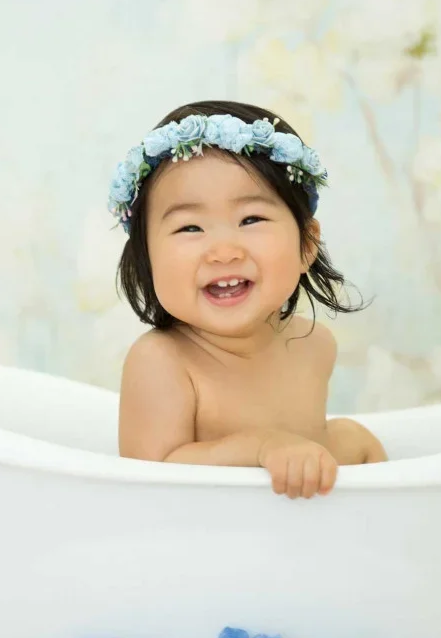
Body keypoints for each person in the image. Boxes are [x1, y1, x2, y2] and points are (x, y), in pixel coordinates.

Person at [111, 100, 386, 499]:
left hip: (293, 547)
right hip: (192, 549)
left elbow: (303, 462)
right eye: (190, 227)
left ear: (307, 244)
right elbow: (149, 477)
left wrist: (345, 445)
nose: (224, 251)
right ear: (147, 259)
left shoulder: (315, 345)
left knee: (352, 439)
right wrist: (261, 447)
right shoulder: (162, 362)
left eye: (251, 220)